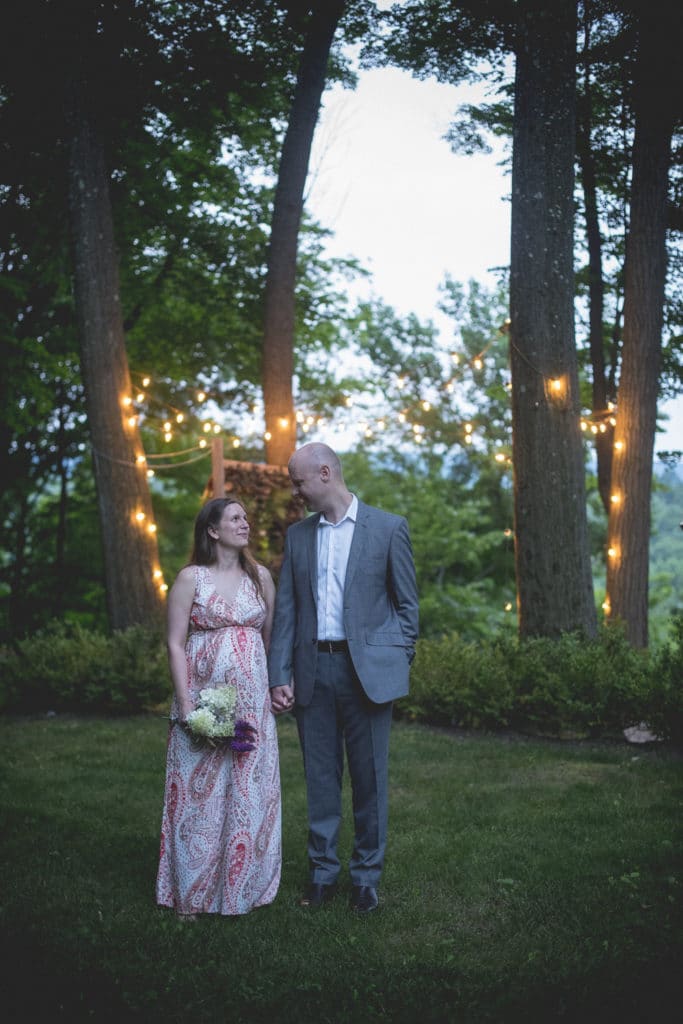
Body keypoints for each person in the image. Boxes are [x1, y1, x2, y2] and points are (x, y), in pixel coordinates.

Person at [268, 442, 419, 913]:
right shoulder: (298, 536)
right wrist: (280, 674)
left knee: (370, 779)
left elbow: (408, 608)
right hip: (314, 669)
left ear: (326, 473)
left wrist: (395, 658)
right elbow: (288, 611)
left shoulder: (388, 529)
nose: (296, 492)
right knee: (320, 777)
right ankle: (321, 873)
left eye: (299, 481)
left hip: (367, 675)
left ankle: (366, 877)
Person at [156, 497, 281, 918]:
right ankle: (189, 895)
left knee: (248, 791)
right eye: (235, 518)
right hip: (204, 698)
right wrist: (188, 703)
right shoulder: (191, 578)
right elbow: (175, 642)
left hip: (250, 703)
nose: (245, 523)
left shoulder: (260, 577)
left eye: (247, 516)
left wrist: (269, 690)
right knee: (199, 795)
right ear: (213, 530)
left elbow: (268, 640)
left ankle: (242, 888)